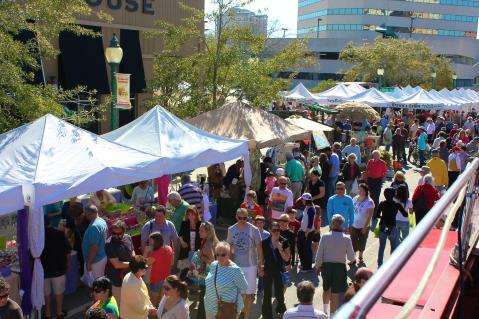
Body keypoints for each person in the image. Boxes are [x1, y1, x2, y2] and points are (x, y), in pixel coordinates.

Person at [315, 214, 355, 315]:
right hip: (340, 268)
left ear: (332, 223)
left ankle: (325, 311)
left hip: (326, 267)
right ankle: (332, 315)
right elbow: (351, 257)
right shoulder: (347, 238)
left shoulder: (324, 236)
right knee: (335, 293)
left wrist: (317, 266)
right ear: (342, 225)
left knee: (326, 288)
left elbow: (319, 254)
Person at [226, 208, 263, 319]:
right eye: (240, 218)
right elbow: (229, 246)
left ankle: (246, 316)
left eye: (245, 218)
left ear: (248, 217)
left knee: (249, 294)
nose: (242, 220)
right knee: (236, 293)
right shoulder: (231, 229)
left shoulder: (254, 229)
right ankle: (238, 314)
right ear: (236, 217)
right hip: (235, 266)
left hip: (251, 266)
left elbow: (259, 249)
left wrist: (261, 265)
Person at [204, 242, 248, 319]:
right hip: (209, 308)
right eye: (217, 254)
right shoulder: (214, 265)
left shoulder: (235, 270)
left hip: (225, 311)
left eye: (223, 254)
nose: (220, 257)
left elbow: (244, 289)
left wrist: (237, 309)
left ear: (229, 254)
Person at [41, 216, 71, 319]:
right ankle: (59, 312)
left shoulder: (37, 237)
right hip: (59, 268)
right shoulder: (59, 234)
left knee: (46, 294)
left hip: (43, 270)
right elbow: (67, 251)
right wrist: (68, 264)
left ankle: (48, 314)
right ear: (50, 222)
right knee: (59, 292)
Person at [260, 222, 291, 319]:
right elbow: (261, 258)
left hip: (279, 271)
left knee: (279, 294)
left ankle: (281, 312)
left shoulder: (284, 241)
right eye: (274, 230)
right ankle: (266, 316)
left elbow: (287, 258)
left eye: (278, 230)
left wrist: (280, 249)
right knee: (267, 295)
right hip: (267, 270)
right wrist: (260, 268)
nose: (276, 232)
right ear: (270, 231)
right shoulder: (265, 242)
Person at [105, 220, 135, 307]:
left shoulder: (128, 237)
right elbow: (117, 264)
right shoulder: (109, 244)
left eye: (119, 233)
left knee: (129, 299)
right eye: (114, 233)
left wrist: (134, 257)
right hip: (117, 279)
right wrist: (133, 264)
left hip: (129, 275)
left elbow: (132, 250)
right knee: (119, 302)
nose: (116, 236)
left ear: (124, 231)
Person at [376, 188, 408, 267]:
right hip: (392, 226)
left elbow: (377, 215)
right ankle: (391, 264)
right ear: (394, 195)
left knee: (382, 247)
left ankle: (380, 264)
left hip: (383, 225)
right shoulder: (396, 205)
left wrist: (382, 216)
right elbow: (405, 215)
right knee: (393, 245)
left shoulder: (382, 203)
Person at [192, 221, 218, 319]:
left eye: (201, 230)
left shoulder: (208, 244)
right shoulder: (209, 241)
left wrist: (200, 256)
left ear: (208, 232)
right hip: (209, 276)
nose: (199, 232)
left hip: (207, 277)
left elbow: (212, 261)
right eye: (199, 229)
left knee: (204, 299)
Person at [145, 232, 174, 307]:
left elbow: (144, 264)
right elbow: (172, 263)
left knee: (153, 303)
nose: (149, 244)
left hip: (156, 281)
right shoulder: (169, 248)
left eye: (150, 242)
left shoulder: (155, 253)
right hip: (166, 279)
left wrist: (146, 252)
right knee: (162, 302)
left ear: (156, 242)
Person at [82, 205, 108, 279]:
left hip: (96, 261)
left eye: (85, 213)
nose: (85, 215)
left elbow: (94, 247)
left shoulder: (94, 226)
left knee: (96, 284)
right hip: (101, 256)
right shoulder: (102, 220)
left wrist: (89, 262)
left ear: (89, 213)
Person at [351, 184, 375, 264]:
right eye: (359, 189)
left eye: (361, 190)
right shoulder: (355, 198)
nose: (360, 191)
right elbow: (351, 211)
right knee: (353, 241)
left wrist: (365, 227)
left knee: (362, 241)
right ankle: (353, 258)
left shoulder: (369, 202)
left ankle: (360, 256)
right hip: (354, 225)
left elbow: (369, 216)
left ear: (366, 191)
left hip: (363, 226)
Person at [177, 206, 201, 279]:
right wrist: (182, 242)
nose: (190, 216)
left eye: (192, 214)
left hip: (197, 251)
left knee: (195, 271)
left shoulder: (200, 224)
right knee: (184, 270)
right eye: (188, 214)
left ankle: (194, 286)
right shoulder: (184, 223)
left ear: (196, 214)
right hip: (186, 250)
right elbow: (180, 234)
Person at [297, 193, 316, 272]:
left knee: (306, 249)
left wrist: (306, 233)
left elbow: (310, 223)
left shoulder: (311, 209)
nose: (302, 200)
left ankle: (307, 267)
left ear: (306, 200)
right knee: (301, 248)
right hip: (303, 231)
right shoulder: (307, 207)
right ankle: (303, 264)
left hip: (307, 232)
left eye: (303, 199)